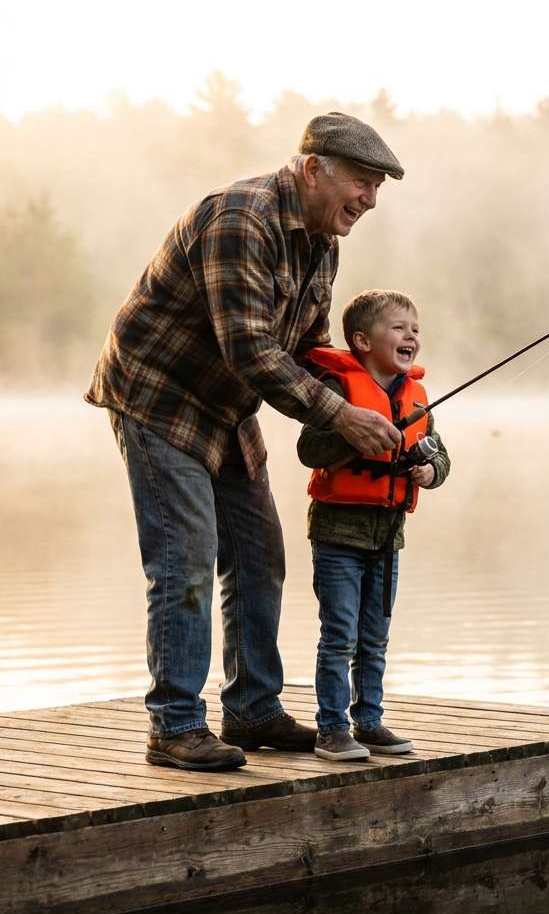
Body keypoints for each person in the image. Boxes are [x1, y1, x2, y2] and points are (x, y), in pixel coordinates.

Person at [85, 113, 406, 771]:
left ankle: (253, 708)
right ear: (313, 168)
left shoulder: (322, 242)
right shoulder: (242, 218)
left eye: (378, 188)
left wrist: (372, 392)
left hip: (226, 410)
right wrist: (340, 420)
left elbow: (309, 347)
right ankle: (173, 726)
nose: (370, 200)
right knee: (186, 559)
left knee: (262, 556)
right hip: (159, 398)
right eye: (363, 182)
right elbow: (253, 351)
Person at [296, 290, 450, 761]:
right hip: (339, 536)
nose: (411, 337)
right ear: (362, 341)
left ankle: (369, 722)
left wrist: (430, 471)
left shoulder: (416, 398)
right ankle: (330, 729)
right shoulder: (341, 392)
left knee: (375, 637)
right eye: (399, 328)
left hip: (387, 537)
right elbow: (309, 451)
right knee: (339, 634)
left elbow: (441, 455)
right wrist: (354, 435)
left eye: (415, 330)